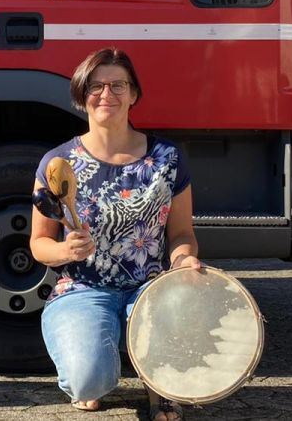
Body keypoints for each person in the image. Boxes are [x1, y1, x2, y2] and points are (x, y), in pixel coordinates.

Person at [30, 48, 200, 421]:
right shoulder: (58, 163)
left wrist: (184, 259)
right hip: (83, 288)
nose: (107, 94)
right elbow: (39, 245)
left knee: (176, 379)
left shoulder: (167, 158)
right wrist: (66, 251)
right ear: (80, 95)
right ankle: (93, 375)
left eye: (118, 85)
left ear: (134, 94)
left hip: (150, 287)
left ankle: (159, 384)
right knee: (89, 382)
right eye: (95, 86)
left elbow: (182, 233)